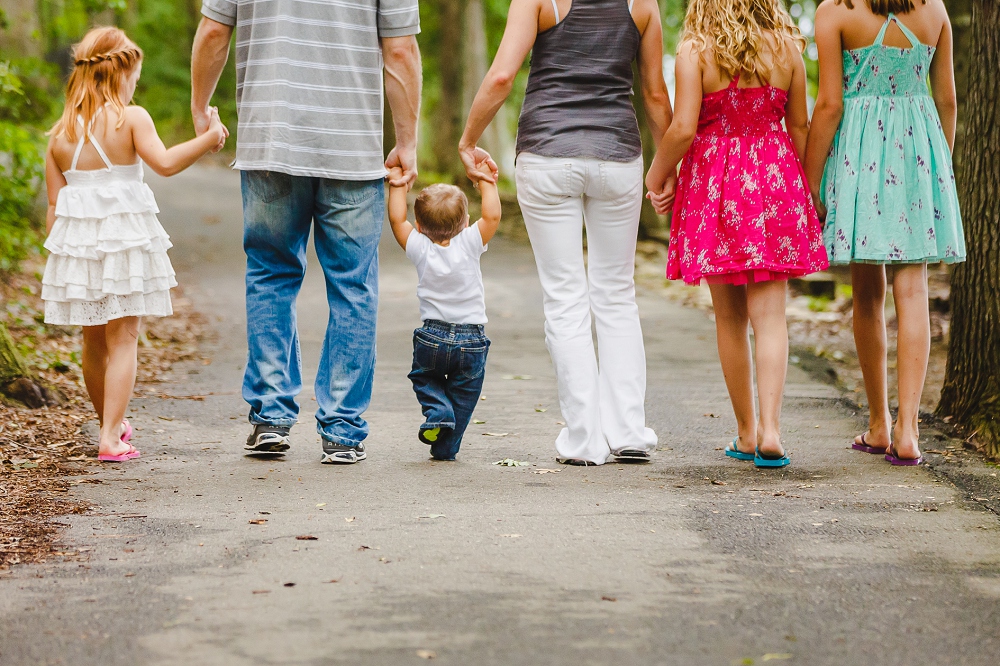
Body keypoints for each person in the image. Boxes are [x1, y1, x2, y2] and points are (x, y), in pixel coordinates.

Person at [191, 0, 422, 464]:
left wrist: (201, 109)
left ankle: (270, 416)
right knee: (353, 286)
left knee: (271, 274)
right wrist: (406, 141)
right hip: (352, 149)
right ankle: (341, 429)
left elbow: (214, 32)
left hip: (270, 141)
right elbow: (399, 50)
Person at [459, 0, 672, 466]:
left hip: (548, 156)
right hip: (618, 158)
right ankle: (630, 432)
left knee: (564, 296)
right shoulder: (643, 5)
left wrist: (469, 139)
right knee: (617, 294)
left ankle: (584, 441)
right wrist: (667, 167)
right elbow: (655, 94)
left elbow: (500, 77)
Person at [645, 0, 828, 468]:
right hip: (775, 181)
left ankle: (746, 433)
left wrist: (658, 174)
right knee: (772, 318)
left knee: (730, 320)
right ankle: (772, 430)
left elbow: (684, 128)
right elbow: (801, 124)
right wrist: (807, 189)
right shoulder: (787, 47)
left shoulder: (695, 50)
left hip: (716, 189)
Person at [42, 26, 227, 462]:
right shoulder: (131, 118)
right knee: (124, 336)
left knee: (93, 340)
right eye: (135, 78)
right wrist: (209, 138)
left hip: (78, 249)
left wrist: (61, 261)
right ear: (121, 72)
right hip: (123, 245)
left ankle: (110, 424)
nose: (135, 87)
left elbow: (54, 207)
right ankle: (109, 437)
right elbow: (163, 164)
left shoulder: (58, 136)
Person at [804, 0, 963, 466]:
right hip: (918, 153)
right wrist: (939, 167)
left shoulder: (835, 12)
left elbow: (830, 104)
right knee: (912, 288)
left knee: (866, 292)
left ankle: (878, 423)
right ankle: (909, 428)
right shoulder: (934, 10)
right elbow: (947, 100)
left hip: (861, 159)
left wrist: (810, 180)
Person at [386, 161, 501, 461]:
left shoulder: (419, 247)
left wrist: (398, 186)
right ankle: (446, 446)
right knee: (464, 397)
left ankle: (437, 410)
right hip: (472, 339)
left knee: (423, 377)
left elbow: (398, 220)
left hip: (431, 337)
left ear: (420, 226)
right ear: (465, 223)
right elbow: (492, 215)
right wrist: (485, 180)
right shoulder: (470, 243)